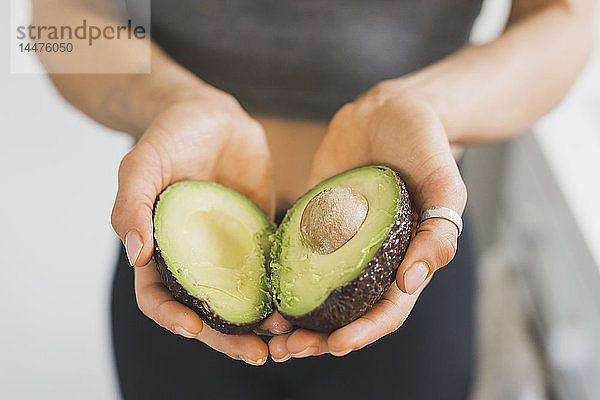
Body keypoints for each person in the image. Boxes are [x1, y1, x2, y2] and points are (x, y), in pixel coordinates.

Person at [35, 0, 595, 398]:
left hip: (404, 266)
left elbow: (565, 19)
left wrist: (424, 106)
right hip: (176, 264)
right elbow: (55, 18)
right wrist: (167, 99)